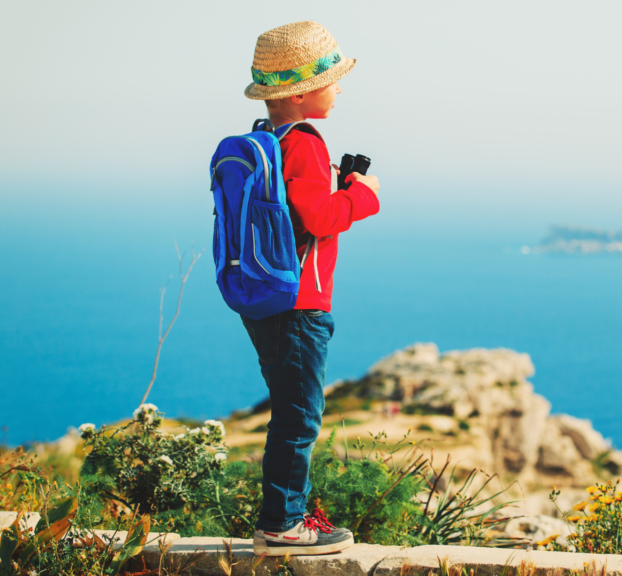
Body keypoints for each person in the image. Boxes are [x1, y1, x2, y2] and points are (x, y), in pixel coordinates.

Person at [241, 20, 380, 556]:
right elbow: (318, 218)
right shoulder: (304, 144)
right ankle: (282, 525)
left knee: (290, 410)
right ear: (301, 92)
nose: (340, 86)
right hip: (298, 303)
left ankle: (286, 517)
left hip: (265, 296)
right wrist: (361, 196)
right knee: (299, 416)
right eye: (333, 77)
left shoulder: (266, 137)